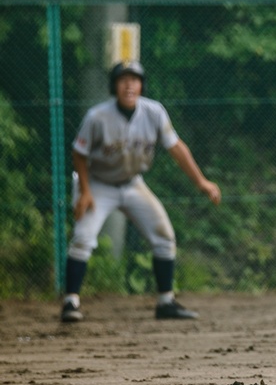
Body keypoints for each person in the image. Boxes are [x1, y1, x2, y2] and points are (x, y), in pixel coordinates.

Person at [60, 60, 221, 323]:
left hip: (133, 182)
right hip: (98, 184)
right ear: (114, 86)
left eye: (134, 79)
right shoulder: (97, 116)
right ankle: (70, 302)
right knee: (82, 238)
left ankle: (165, 302)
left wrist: (201, 182)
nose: (129, 85)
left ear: (141, 85)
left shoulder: (154, 112)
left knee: (164, 237)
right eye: (123, 80)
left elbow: (176, 148)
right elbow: (79, 154)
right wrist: (85, 191)